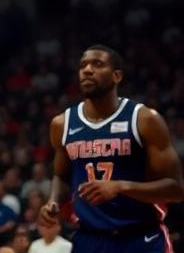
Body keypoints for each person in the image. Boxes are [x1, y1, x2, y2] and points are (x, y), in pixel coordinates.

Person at [39, 45, 183, 253]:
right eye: (83, 65)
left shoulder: (144, 119)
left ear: (117, 76)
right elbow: (61, 176)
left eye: (97, 64)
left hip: (140, 238)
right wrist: (52, 202)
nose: (87, 70)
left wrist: (120, 187)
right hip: (89, 240)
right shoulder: (62, 124)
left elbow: (176, 190)